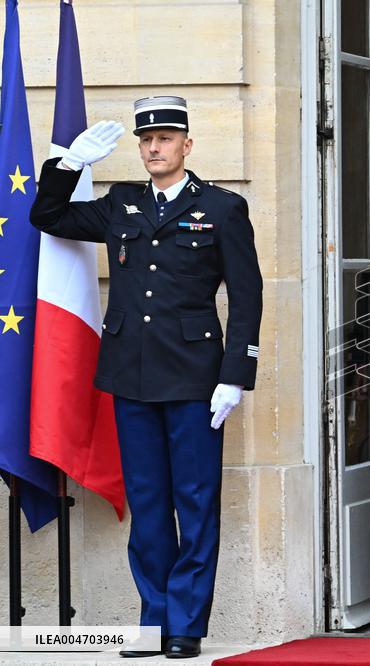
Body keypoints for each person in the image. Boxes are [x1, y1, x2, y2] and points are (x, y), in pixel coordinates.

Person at [30, 97, 263, 659]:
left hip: (194, 379)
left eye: (165, 138)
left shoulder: (223, 207)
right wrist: (68, 165)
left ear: (187, 144)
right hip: (131, 376)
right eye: (146, 140)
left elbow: (248, 295)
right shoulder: (122, 205)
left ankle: (185, 625)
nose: (154, 148)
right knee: (150, 503)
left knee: (196, 500)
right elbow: (49, 217)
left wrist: (236, 374)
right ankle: (154, 620)